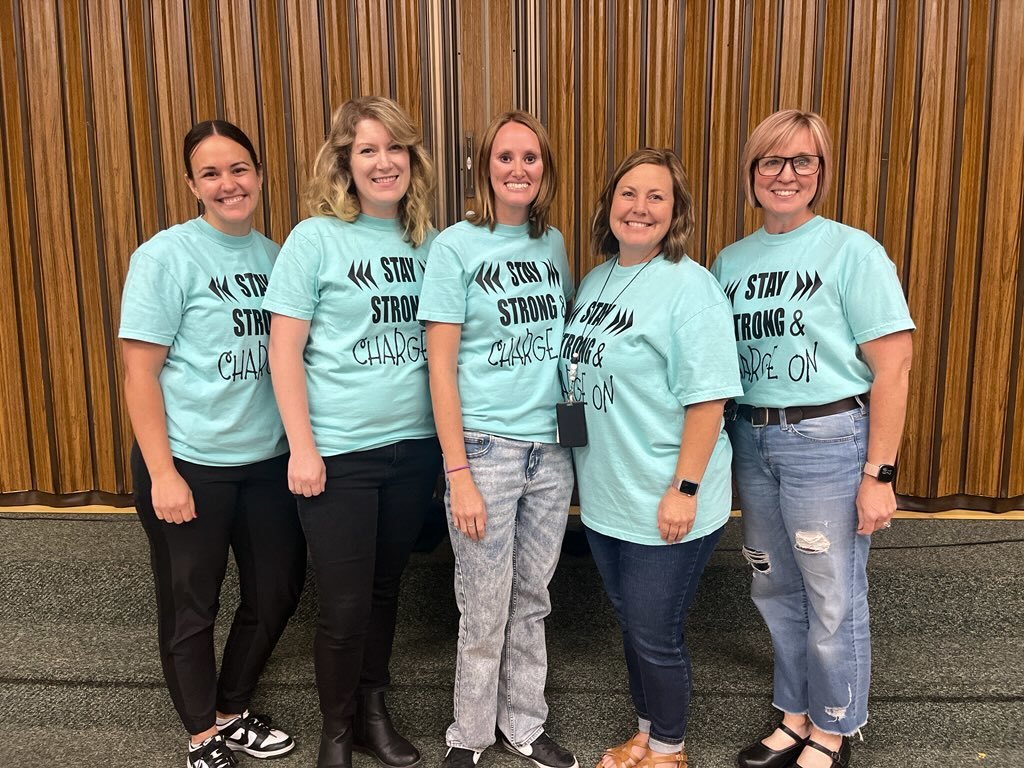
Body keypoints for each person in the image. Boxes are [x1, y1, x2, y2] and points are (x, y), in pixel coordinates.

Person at [711, 109, 915, 768]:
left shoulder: (852, 251)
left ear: (822, 173)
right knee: (773, 586)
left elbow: (894, 364)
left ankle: (833, 726)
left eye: (803, 161)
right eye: (772, 161)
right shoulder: (730, 262)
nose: (786, 174)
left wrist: (878, 474)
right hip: (754, 437)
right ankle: (793, 715)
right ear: (751, 173)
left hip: (828, 439)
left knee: (831, 590)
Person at [120, 120, 305, 768]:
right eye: (212, 173)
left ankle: (231, 710)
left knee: (277, 589)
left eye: (239, 169)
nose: (228, 183)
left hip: (266, 462)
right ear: (192, 184)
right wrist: (163, 472)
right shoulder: (166, 256)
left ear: (258, 174)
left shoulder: (279, 256)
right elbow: (139, 371)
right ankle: (201, 736)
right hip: (189, 463)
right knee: (191, 606)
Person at [263, 96, 440, 768]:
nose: (383, 161)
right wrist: (302, 447)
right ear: (345, 161)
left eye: (395, 148)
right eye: (368, 149)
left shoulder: (427, 241)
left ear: (411, 159)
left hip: (414, 448)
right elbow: (284, 352)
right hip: (337, 453)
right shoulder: (315, 238)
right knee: (340, 605)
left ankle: (372, 713)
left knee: (383, 590)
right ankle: (335, 733)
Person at [560, 148, 742, 768]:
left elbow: (709, 400)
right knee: (633, 623)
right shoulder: (596, 278)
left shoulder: (692, 289)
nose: (639, 208)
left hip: (667, 494)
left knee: (655, 633)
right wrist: (572, 466)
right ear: (609, 204)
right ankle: (646, 732)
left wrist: (684, 490)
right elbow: (575, 377)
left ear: (676, 212)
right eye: (628, 194)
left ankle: (668, 749)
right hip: (608, 493)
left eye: (656, 196)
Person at [418, 111, 577, 768]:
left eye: (531, 158)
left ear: (545, 170)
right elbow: (441, 367)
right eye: (505, 157)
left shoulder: (555, 244)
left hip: (552, 455)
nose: (519, 169)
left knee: (533, 599)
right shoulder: (455, 246)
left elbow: (567, 358)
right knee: (482, 605)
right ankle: (471, 734)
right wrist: (457, 473)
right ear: (485, 167)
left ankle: (524, 725)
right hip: (484, 453)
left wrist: (578, 449)